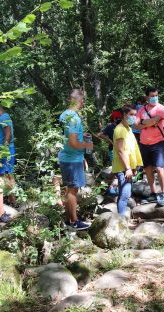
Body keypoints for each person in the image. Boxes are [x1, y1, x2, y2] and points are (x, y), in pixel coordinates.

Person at [58, 89, 93, 230]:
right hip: (72, 159)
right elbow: (73, 143)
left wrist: (80, 135)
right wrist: (87, 145)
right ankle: (73, 222)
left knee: (69, 190)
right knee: (72, 190)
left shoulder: (64, 115)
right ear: (80, 100)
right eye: (83, 101)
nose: (83, 104)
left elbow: (68, 136)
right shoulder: (74, 118)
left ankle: (69, 220)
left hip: (66, 157)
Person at [136, 86, 164, 206]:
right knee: (148, 169)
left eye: (156, 95)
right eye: (152, 96)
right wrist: (148, 123)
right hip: (144, 143)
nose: (154, 98)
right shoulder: (141, 109)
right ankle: (153, 193)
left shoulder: (161, 108)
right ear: (147, 97)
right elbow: (136, 125)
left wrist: (143, 122)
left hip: (158, 142)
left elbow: (155, 121)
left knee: (159, 168)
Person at [112, 105, 143, 216]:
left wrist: (133, 166)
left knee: (123, 194)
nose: (133, 117)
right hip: (122, 168)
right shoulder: (120, 129)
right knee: (125, 195)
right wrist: (128, 168)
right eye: (131, 114)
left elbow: (131, 149)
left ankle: (119, 221)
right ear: (124, 115)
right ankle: (121, 221)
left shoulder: (128, 128)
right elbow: (121, 151)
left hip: (127, 167)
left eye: (135, 115)